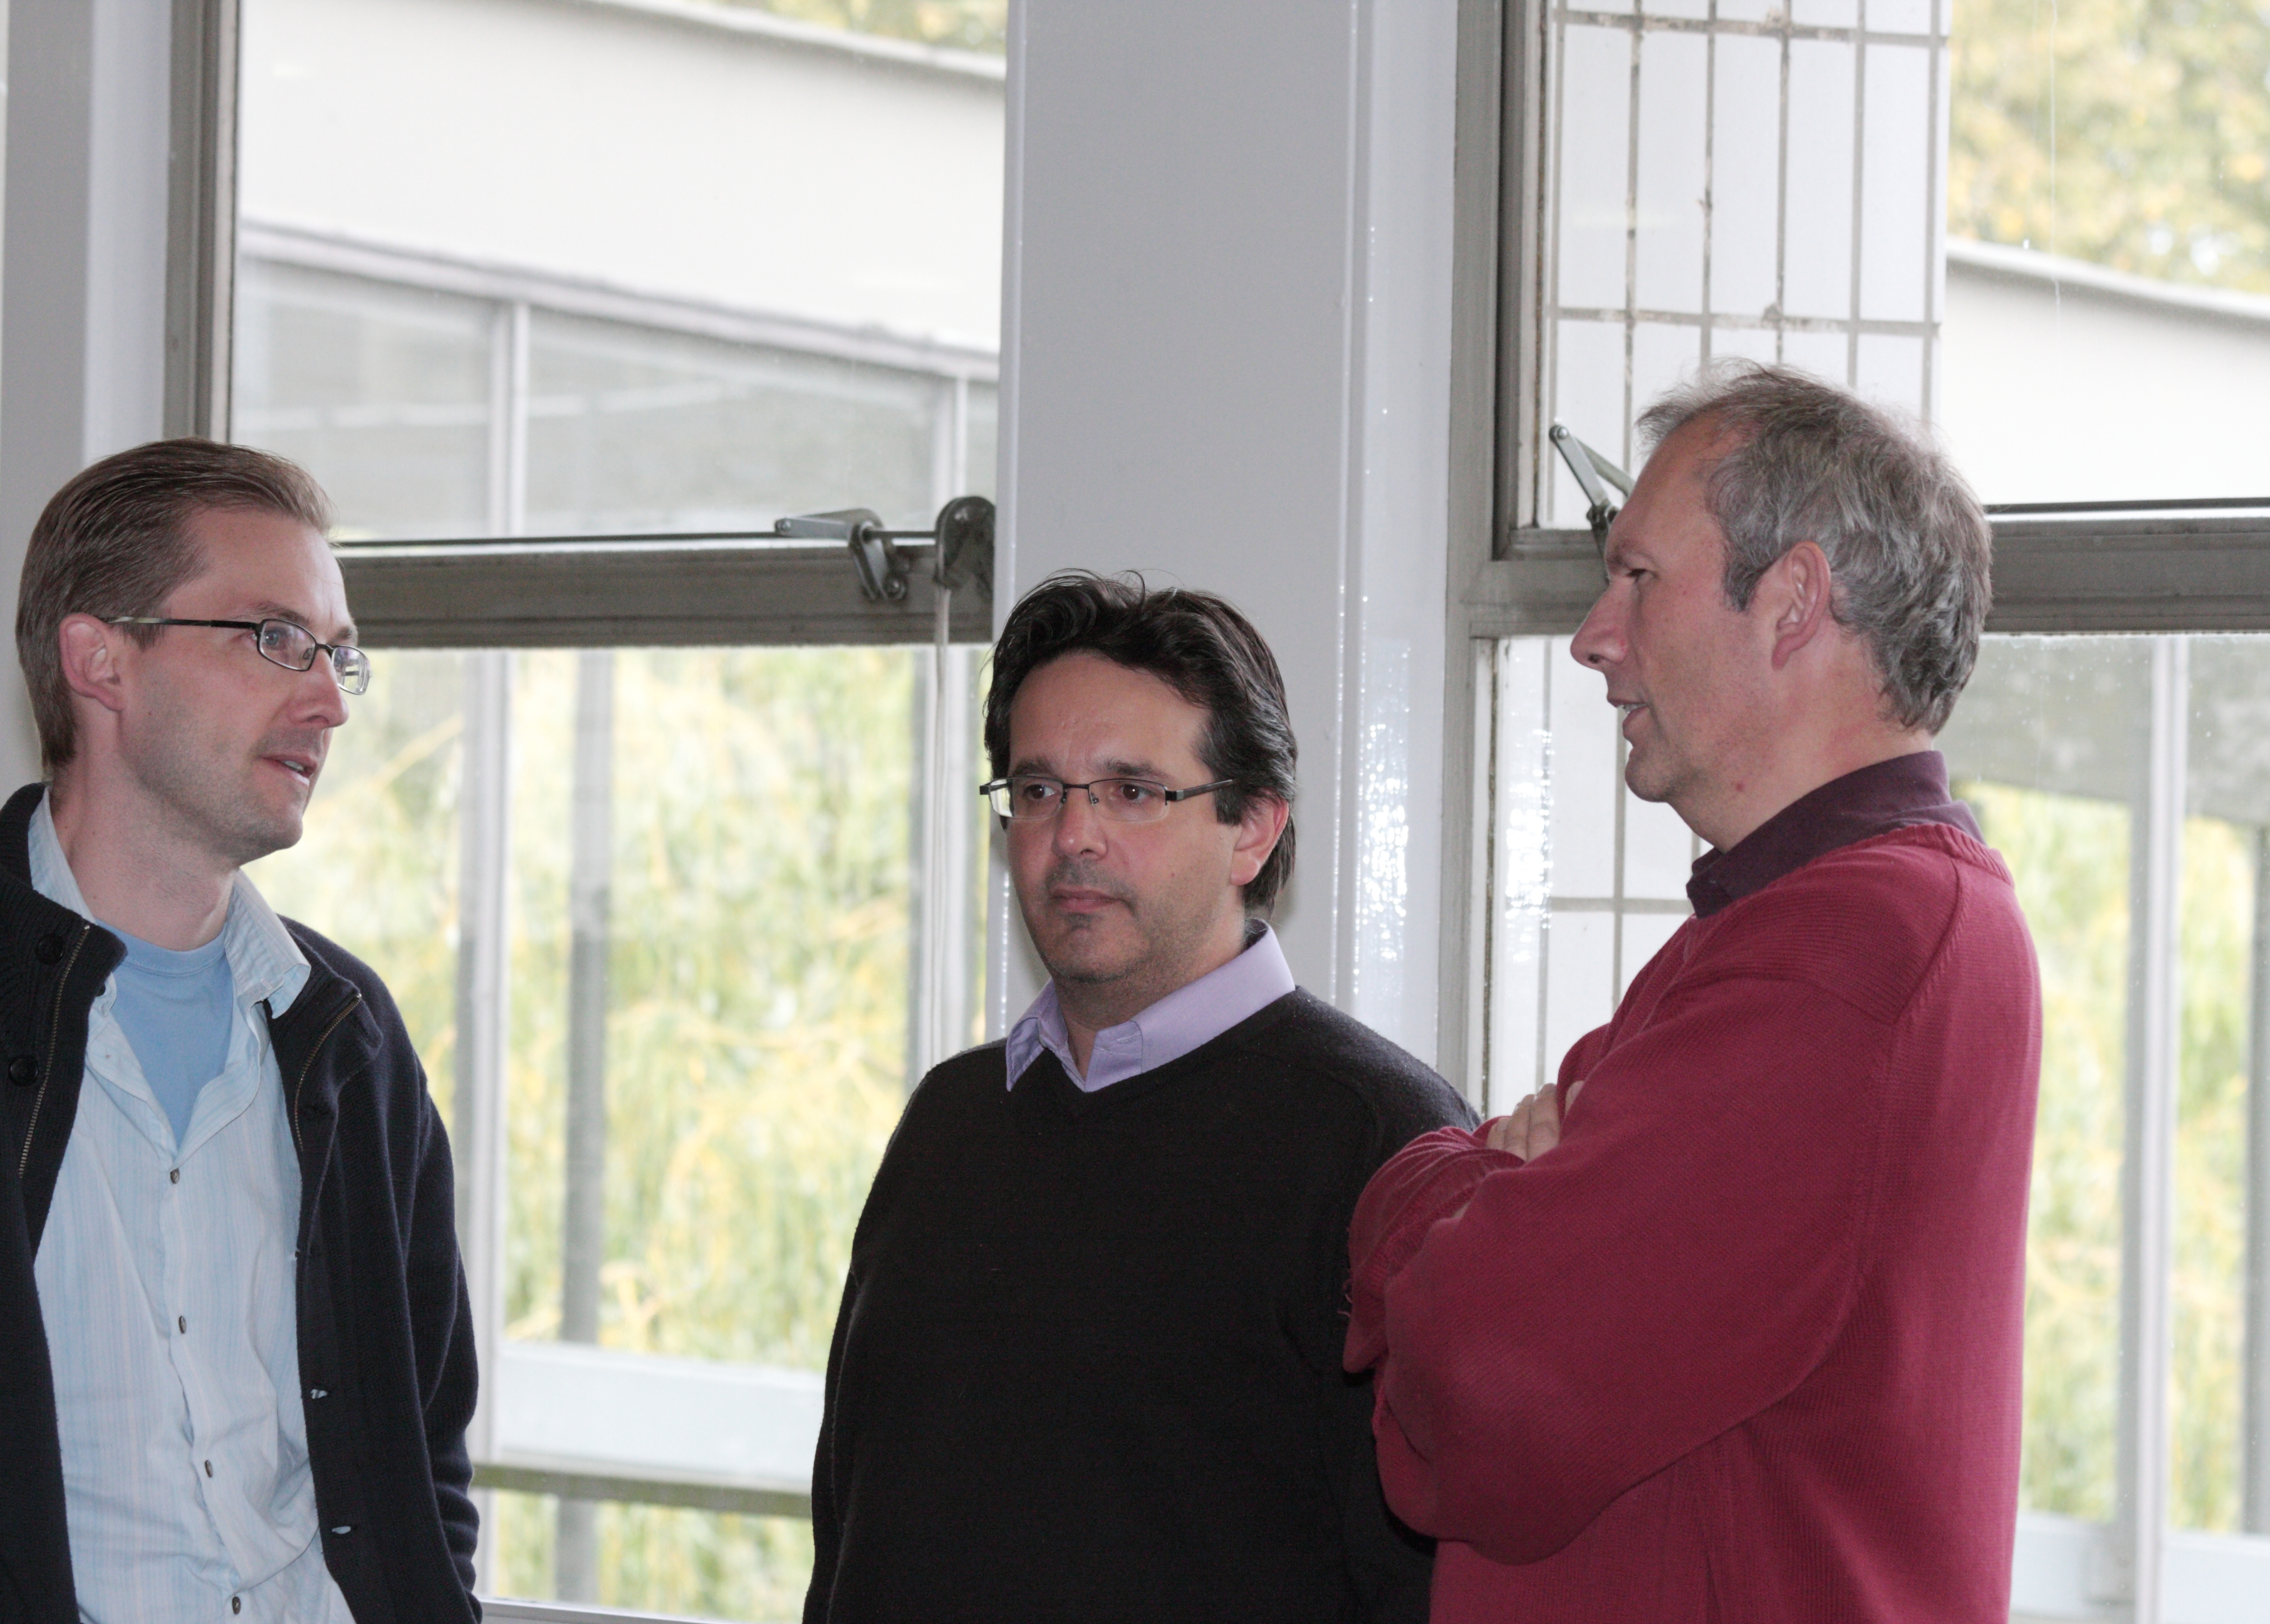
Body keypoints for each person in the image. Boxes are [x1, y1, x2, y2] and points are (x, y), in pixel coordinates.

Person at [1345, 363, 2040, 1621]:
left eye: (1638, 577)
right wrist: (1497, 1194)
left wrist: (1431, 1193)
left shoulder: (1849, 944)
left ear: (1792, 602)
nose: (1593, 636)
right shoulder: (1812, 921)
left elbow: (1489, 1372)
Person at [0, 440, 479, 1620]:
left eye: (339, 653)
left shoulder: (347, 1034)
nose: (330, 700)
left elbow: (424, 1450)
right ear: (101, 660)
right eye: (274, 638)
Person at [804, 572, 1473, 1624]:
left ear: (1253, 829)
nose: (1073, 835)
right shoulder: (950, 1120)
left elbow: (1426, 1585)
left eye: (1133, 791)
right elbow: (851, 1524)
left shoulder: (1382, 1142)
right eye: (1037, 791)